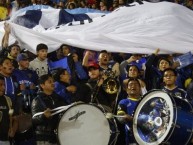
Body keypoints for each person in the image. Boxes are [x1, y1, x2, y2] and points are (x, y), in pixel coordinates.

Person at [31, 74, 67, 145]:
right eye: (49, 82)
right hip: (45, 138)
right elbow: (34, 119)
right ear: (42, 85)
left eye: (53, 81)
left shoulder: (58, 98)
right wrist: (43, 116)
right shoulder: (37, 100)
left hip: (57, 136)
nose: (53, 83)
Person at [117, 78, 142, 145]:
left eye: (136, 84)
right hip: (131, 137)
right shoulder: (124, 102)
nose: (133, 86)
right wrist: (124, 117)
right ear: (127, 90)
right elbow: (120, 117)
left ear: (140, 89)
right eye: (130, 85)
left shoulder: (145, 101)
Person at [0, 75, 18, 145]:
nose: (3, 88)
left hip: (6, 140)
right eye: (0, 85)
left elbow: (14, 117)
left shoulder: (8, 100)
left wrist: (13, 130)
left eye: (4, 85)